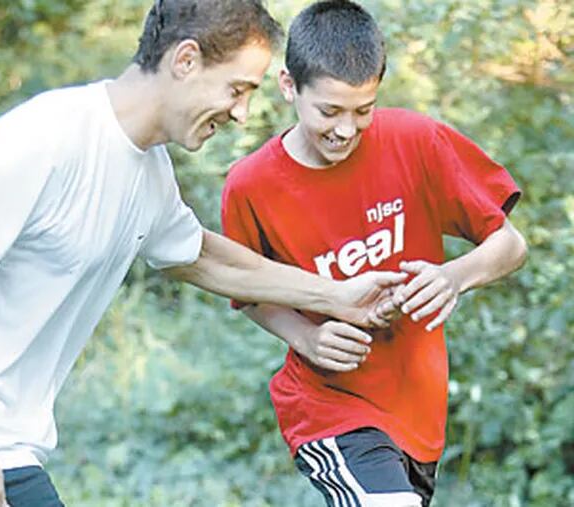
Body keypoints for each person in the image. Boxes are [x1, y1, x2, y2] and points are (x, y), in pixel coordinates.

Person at [0, 1, 408, 506]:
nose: (242, 113)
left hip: (4, 440)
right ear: (186, 60)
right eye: (237, 89)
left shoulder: (146, 169)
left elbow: (205, 258)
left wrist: (337, 295)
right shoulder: (48, 139)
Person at [221, 1, 528, 505]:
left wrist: (454, 276)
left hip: (418, 413)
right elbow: (247, 292)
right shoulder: (250, 186)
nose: (345, 129)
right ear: (288, 86)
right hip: (328, 405)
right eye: (329, 111)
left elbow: (510, 244)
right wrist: (306, 337)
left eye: (363, 110)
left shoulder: (417, 141)